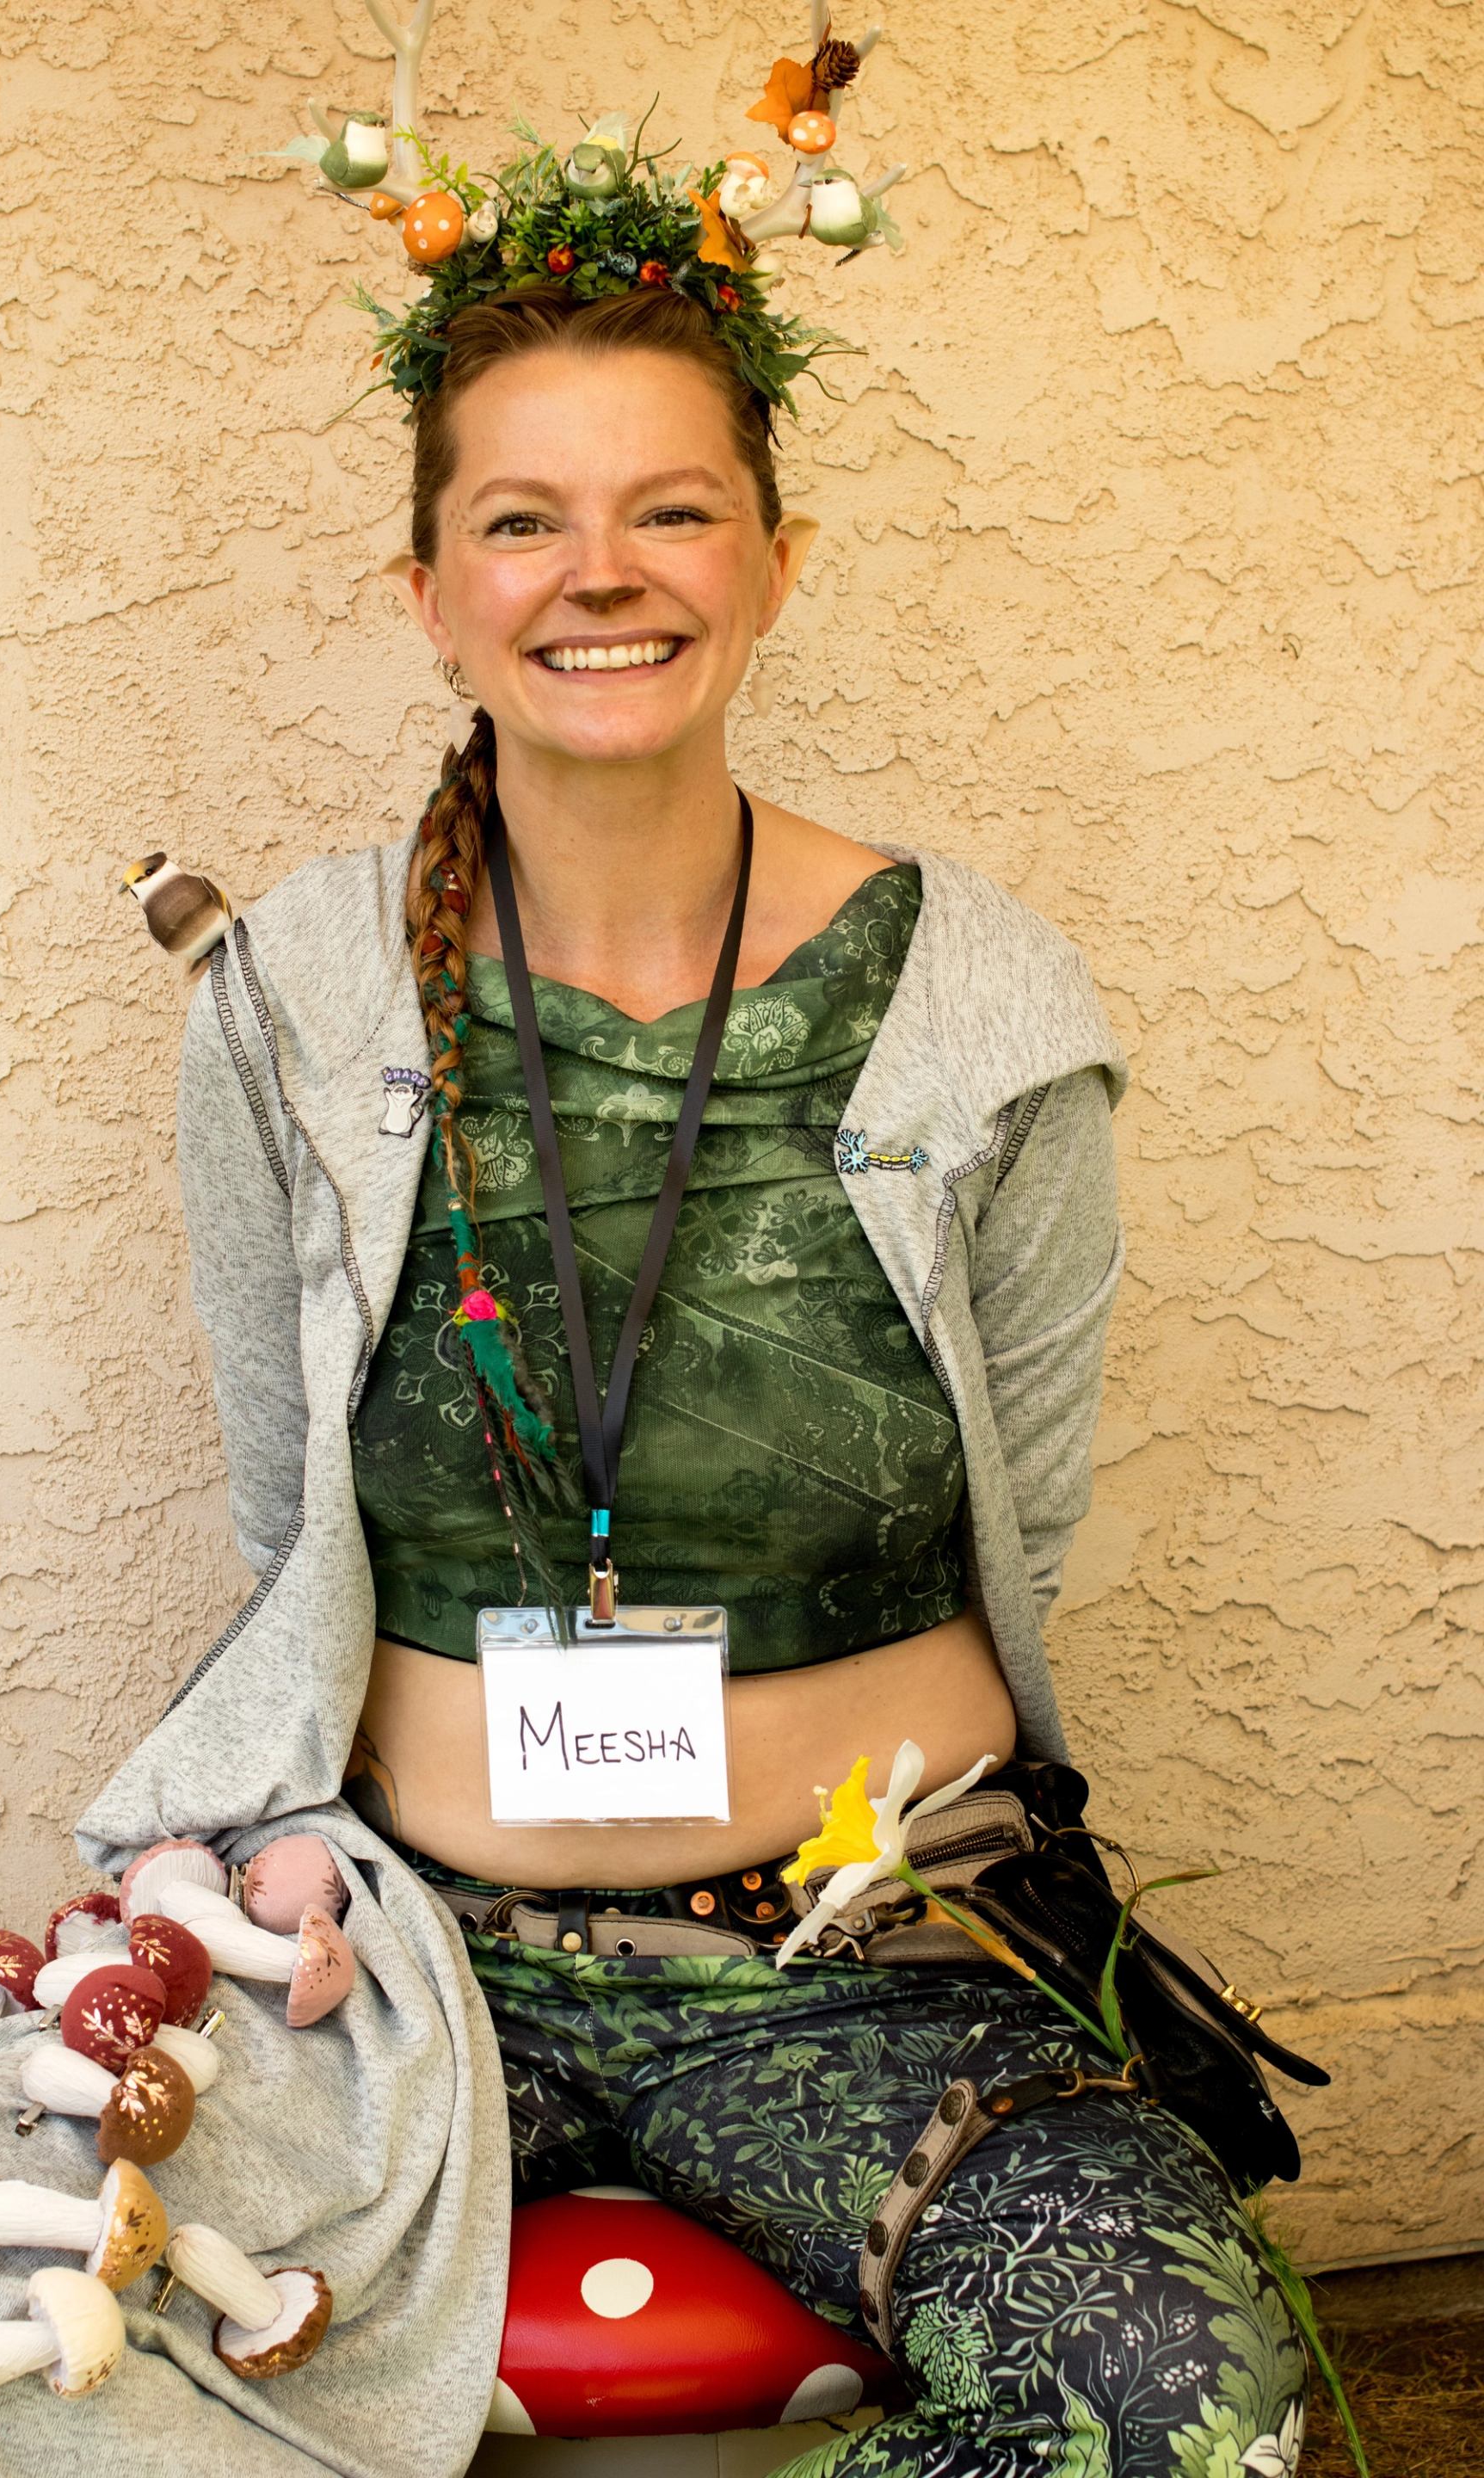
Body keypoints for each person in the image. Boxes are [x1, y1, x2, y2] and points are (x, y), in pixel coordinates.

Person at [269, 268, 1305, 2473]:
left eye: (675, 510)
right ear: (429, 585)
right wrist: (266, 1842)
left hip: (870, 1956)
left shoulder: (984, 1002)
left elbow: (1021, 1487)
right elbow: (291, 1512)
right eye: (525, 521)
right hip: (418, 1966)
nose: (602, 576)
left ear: (775, 560)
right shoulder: (285, 993)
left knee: (1182, 2419)